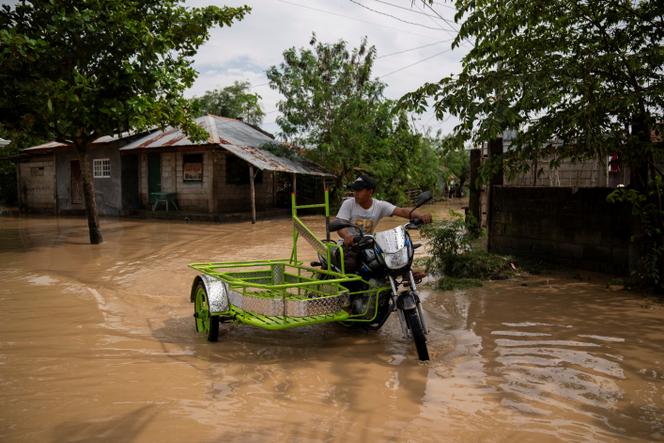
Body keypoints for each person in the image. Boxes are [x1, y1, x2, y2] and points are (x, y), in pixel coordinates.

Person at [335, 173, 433, 249]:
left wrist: (421, 215)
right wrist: (347, 236)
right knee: (351, 264)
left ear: (370, 191)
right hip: (347, 245)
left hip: (368, 244)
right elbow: (340, 224)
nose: (356, 193)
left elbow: (402, 211)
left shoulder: (380, 205)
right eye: (354, 190)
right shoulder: (348, 204)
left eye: (359, 190)